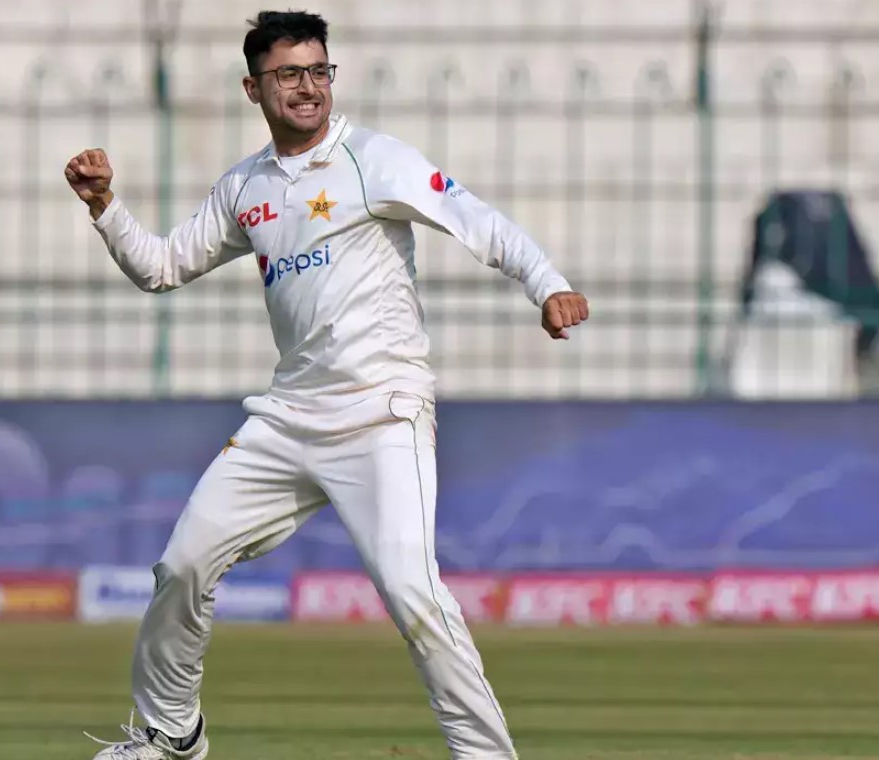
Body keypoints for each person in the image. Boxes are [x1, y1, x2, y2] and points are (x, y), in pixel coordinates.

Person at [66, 10, 588, 760]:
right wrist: (105, 208)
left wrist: (549, 284)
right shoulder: (245, 185)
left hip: (381, 411)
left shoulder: (373, 158)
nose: (308, 87)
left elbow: (476, 220)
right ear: (253, 88)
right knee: (182, 565)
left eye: (319, 71)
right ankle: (171, 733)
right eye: (289, 74)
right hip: (287, 417)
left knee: (413, 594)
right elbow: (162, 267)